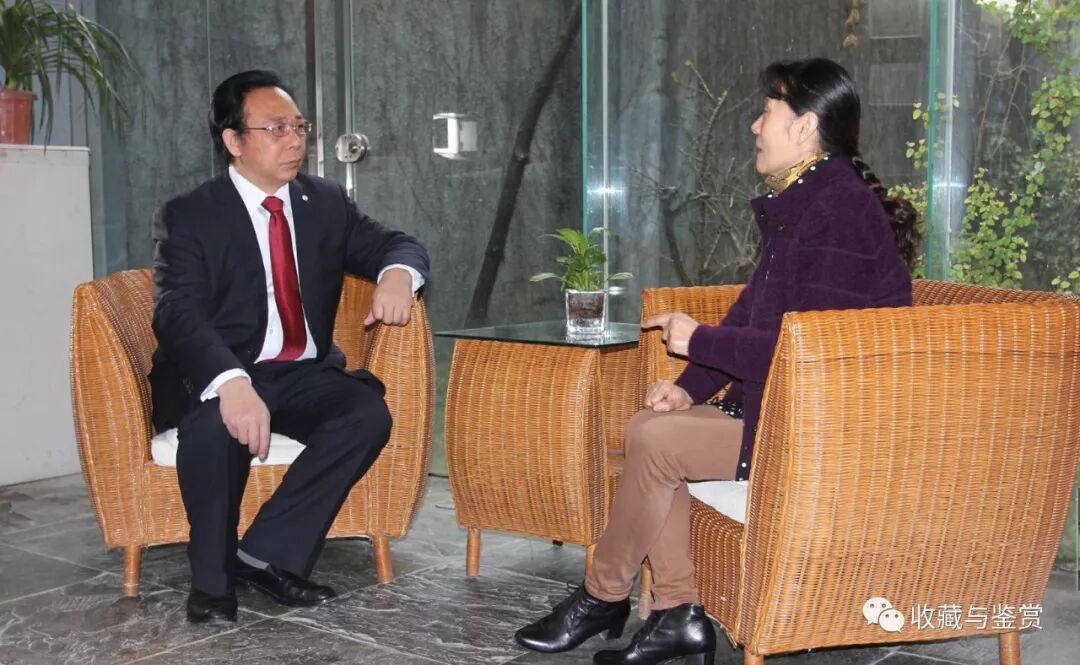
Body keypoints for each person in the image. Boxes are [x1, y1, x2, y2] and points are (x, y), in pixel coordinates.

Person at [514, 58, 919, 665]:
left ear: (805, 125)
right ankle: (676, 614)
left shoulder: (839, 212)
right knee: (653, 426)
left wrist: (698, 341)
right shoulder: (808, 203)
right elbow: (751, 318)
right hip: (785, 413)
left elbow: (804, 357)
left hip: (827, 432)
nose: (755, 126)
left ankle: (605, 596)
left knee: (657, 442)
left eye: (767, 113)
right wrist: (688, 387)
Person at [150, 70, 429, 624]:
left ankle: (264, 555)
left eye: (299, 126)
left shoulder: (323, 201)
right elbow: (177, 311)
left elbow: (397, 243)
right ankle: (211, 582)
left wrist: (398, 275)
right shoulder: (190, 215)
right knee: (216, 429)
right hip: (221, 369)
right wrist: (231, 384)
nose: (295, 140)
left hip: (301, 373)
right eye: (276, 128)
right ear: (234, 141)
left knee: (364, 415)